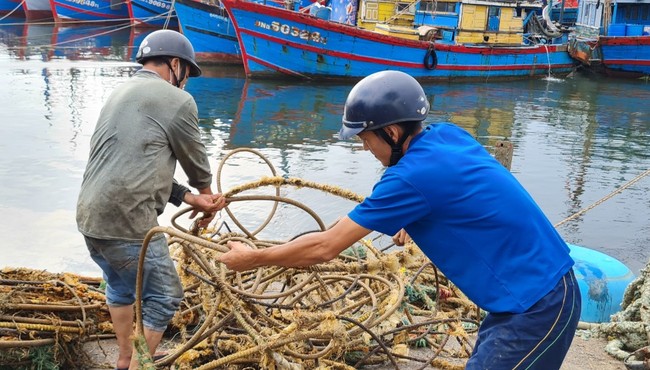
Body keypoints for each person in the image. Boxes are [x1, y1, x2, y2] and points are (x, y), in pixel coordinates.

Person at [218, 70, 581, 369]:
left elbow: (326, 247)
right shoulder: (447, 136)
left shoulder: (410, 178)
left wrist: (253, 259)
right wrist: (417, 214)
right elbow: (465, 188)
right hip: (532, 293)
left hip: (537, 305)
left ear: (391, 133)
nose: (364, 148)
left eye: (364, 138)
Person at [76, 29, 226, 370]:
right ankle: (141, 365)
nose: (186, 83)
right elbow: (195, 158)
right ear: (175, 64)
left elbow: (139, 164)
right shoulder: (177, 100)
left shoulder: (119, 92)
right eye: (186, 73)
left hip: (90, 216)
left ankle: (125, 358)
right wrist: (206, 196)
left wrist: (186, 197)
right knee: (165, 294)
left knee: (119, 286)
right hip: (128, 220)